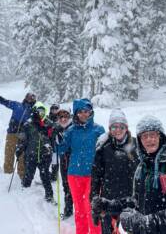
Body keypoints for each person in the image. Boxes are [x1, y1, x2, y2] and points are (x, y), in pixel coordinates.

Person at [119, 115, 166, 234]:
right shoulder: (143, 166)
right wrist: (111, 206)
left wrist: (145, 223)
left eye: (153, 135)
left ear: (161, 137)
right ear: (139, 141)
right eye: (144, 136)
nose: (149, 139)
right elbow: (138, 201)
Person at [57, 98, 105, 234]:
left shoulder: (98, 129)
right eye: (80, 112)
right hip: (74, 174)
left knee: (91, 208)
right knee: (79, 209)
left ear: (90, 112)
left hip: (92, 175)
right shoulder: (71, 131)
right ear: (76, 114)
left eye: (86, 111)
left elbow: (105, 151)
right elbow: (61, 149)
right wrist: (57, 137)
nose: (84, 114)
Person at [90, 109, 139, 234]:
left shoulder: (137, 145)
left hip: (130, 201)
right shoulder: (104, 147)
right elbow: (96, 177)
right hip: (108, 201)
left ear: (126, 127)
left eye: (121, 126)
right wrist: (95, 201)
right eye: (114, 127)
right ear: (109, 129)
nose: (117, 130)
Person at [0, 85, 36, 179]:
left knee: (22, 156)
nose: (29, 99)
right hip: (12, 133)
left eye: (32, 98)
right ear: (25, 98)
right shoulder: (17, 105)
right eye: (28, 97)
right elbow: (3, 101)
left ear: (34, 100)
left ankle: (22, 176)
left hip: (24, 136)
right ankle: (7, 175)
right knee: (9, 154)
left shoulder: (33, 111)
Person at [16, 102, 54, 202]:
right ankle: (24, 191)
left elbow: (53, 136)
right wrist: (19, 148)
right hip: (31, 154)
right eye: (39, 111)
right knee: (29, 174)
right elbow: (22, 138)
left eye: (43, 112)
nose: (41, 113)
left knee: (45, 175)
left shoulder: (48, 123)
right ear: (35, 111)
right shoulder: (28, 124)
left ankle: (49, 196)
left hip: (45, 155)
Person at [52, 106, 74, 219]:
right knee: (66, 186)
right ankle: (68, 210)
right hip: (63, 161)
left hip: (75, 162)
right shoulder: (57, 129)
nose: (63, 119)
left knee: (76, 188)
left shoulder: (74, 127)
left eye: (65, 116)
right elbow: (55, 146)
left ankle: (83, 211)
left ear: (70, 116)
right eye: (61, 116)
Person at [48, 104, 60, 182]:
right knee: (47, 159)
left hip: (56, 141)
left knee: (55, 159)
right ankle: (46, 174)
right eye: (53, 109)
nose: (54, 111)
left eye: (56, 109)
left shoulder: (60, 117)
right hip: (48, 141)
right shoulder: (48, 118)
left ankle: (54, 175)